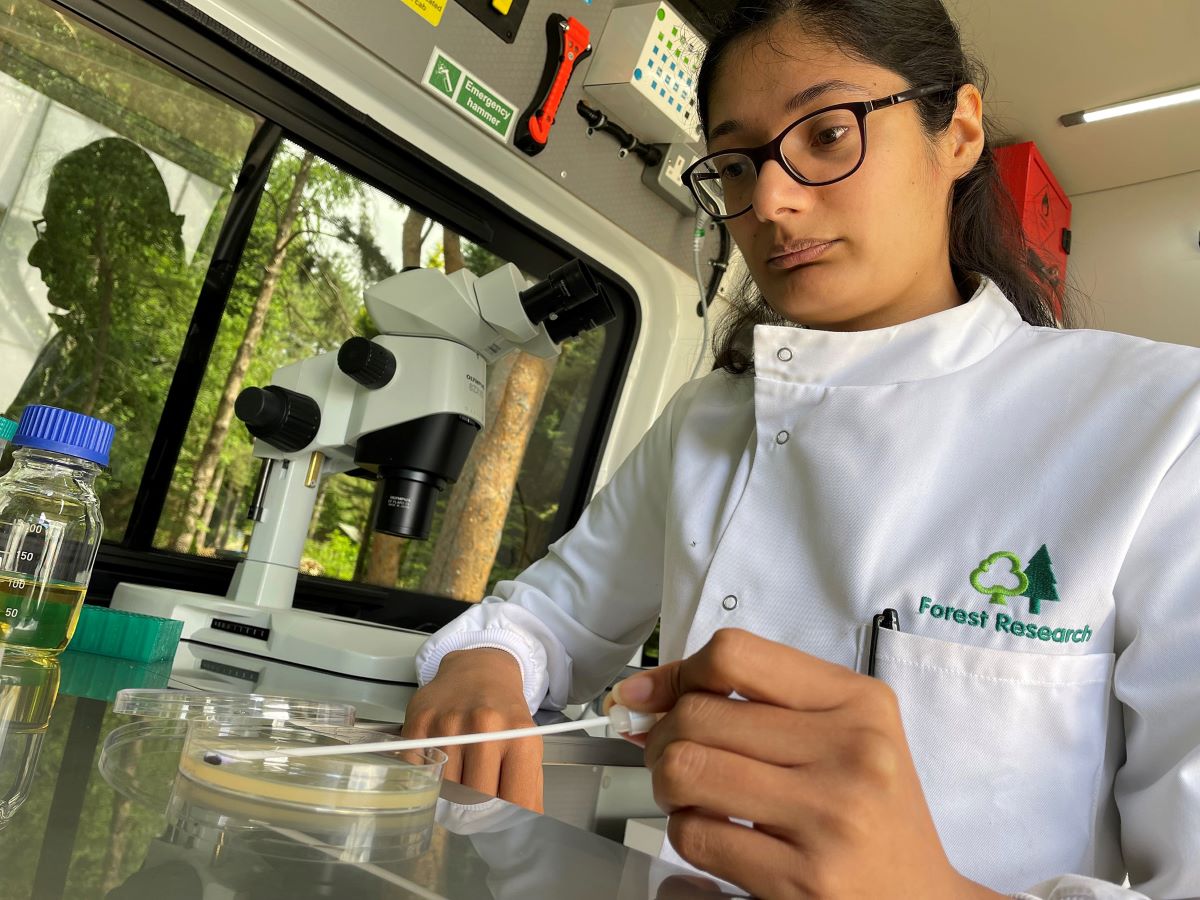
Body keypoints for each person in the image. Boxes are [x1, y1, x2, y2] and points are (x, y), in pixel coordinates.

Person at [402, 2, 1200, 897]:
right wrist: (486, 665)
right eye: (738, 163)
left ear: (960, 134)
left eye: (827, 134)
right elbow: (552, 616)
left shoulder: (1165, 425)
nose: (771, 202)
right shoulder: (709, 419)